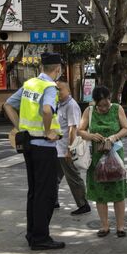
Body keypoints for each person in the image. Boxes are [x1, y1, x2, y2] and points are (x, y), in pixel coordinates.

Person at [3, 52, 65, 251]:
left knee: (34, 192)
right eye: (60, 71)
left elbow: (8, 105)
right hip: (44, 147)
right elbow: (47, 110)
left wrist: (21, 127)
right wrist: (48, 131)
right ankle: (40, 237)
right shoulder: (49, 87)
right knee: (46, 194)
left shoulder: (29, 84)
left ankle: (32, 234)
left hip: (29, 146)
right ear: (57, 70)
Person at [77, 86, 127, 237]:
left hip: (115, 156)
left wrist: (114, 137)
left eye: (106, 104)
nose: (104, 108)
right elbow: (80, 130)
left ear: (110, 99)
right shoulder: (89, 111)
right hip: (96, 157)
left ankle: (120, 226)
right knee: (100, 192)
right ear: (95, 103)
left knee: (117, 191)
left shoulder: (117, 109)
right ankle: (104, 226)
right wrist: (90, 136)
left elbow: (126, 128)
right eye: (100, 105)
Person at [54, 80, 91, 216]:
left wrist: (70, 149)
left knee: (73, 177)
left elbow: (73, 129)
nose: (58, 92)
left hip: (66, 149)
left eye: (60, 89)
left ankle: (83, 204)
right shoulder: (58, 105)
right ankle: (54, 201)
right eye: (56, 89)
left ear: (68, 91)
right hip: (57, 148)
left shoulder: (71, 105)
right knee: (53, 177)